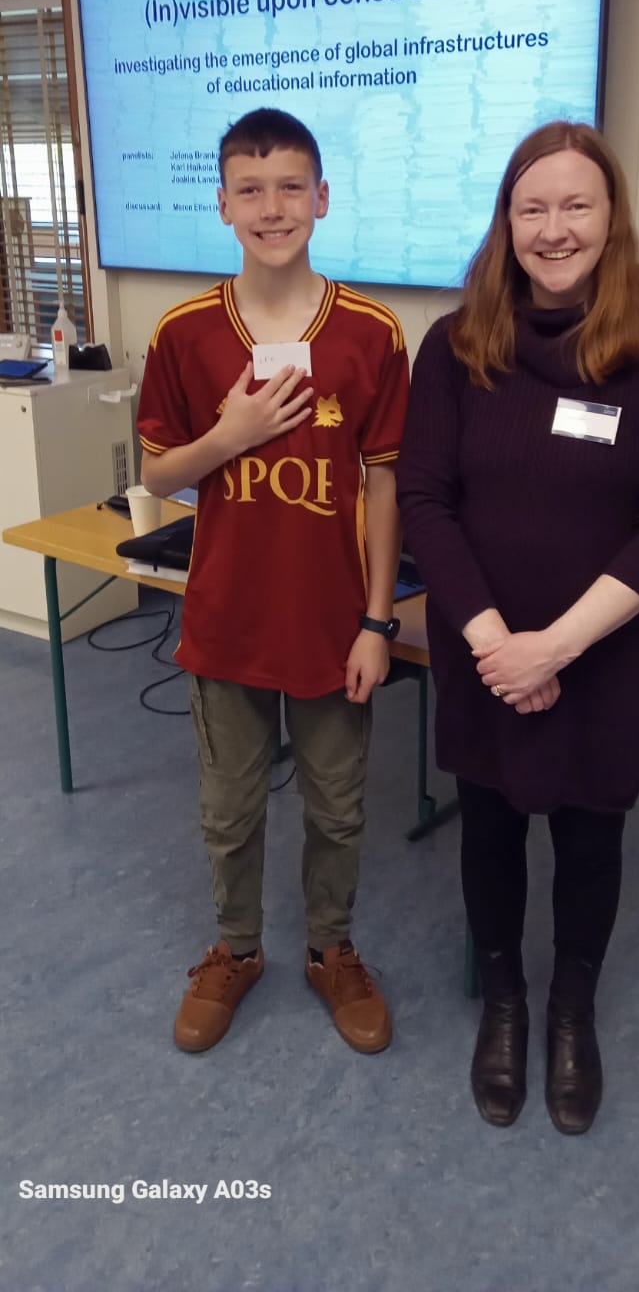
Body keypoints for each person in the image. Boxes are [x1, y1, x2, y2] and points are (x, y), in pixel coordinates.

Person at [396, 120, 639, 1134]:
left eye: (575, 204)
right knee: (487, 825)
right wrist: (498, 645)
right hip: (481, 646)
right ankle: (504, 999)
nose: (553, 227)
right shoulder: (455, 345)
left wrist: (554, 648)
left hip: (603, 657)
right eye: (531, 207)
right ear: (506, 222)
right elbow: (424, 499)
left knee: (588, 835)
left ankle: (571, 1005)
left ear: (611, 215)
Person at [137, 107, 409, 1056]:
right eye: (249, 189)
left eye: (290, 186)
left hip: (333, 623)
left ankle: (331, 949)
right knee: (229, 808)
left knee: (338, 805)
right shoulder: (185, 332)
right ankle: (238, 948)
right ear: (222, 204)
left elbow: (384, 484)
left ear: (321, 198)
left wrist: (378, 620)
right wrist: (230, 436)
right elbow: (157, 473)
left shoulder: (371, 333)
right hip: (227, 619)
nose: (272, 207)